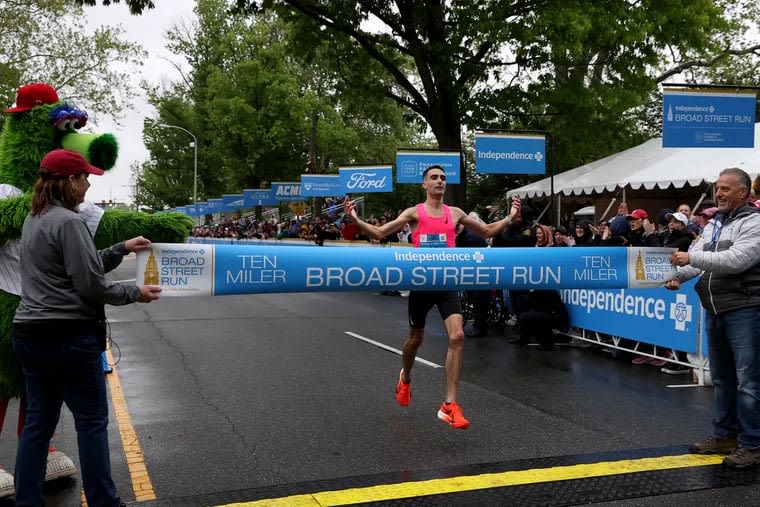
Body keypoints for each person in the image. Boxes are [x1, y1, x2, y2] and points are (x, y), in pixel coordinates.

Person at [11, 149, 162, 506]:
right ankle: (104, 501)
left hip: (30, 334)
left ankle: (27, 501)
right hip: (67, 336)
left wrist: (120, 248)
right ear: (68, 182)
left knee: (38, 424)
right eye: (83, 177)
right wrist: (134, 293)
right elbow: (90, 285)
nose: (88, 183)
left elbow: (81, 265)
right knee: (91, 422)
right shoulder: (68, 221)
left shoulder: (36, 218)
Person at [343, 165, 521, 429]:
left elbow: (486, 232)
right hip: (421, 284)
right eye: (434, 178)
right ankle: (405, 377)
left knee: (457, 335)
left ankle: (449, 405)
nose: (440, 181)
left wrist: (510, 217)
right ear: (424, 185)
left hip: (446, 283)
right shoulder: (414, 212)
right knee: (416, 339)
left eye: (443, 178)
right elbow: (381, 233)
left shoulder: (456, 213)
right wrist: (356, 220)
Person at [665, 167, 760, 469]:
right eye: (718, 188)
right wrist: (677, 275)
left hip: (745, 309)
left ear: (744, 192)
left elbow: (736, 261)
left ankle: (753, 443)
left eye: (726, 189)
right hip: (715, 309)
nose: (719, 193)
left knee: (749, 382)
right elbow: (699, 262)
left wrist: (690, 258)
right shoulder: (715, 224)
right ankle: (726, 435)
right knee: (723, 378)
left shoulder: (755, 222)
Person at [456, 213, 490, 337]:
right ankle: (479, 326)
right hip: (476, 272)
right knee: (477, 301)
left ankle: (480, 328)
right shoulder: (464, 235)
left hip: (482, 272)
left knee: (480, 301)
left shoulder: (471, 237)